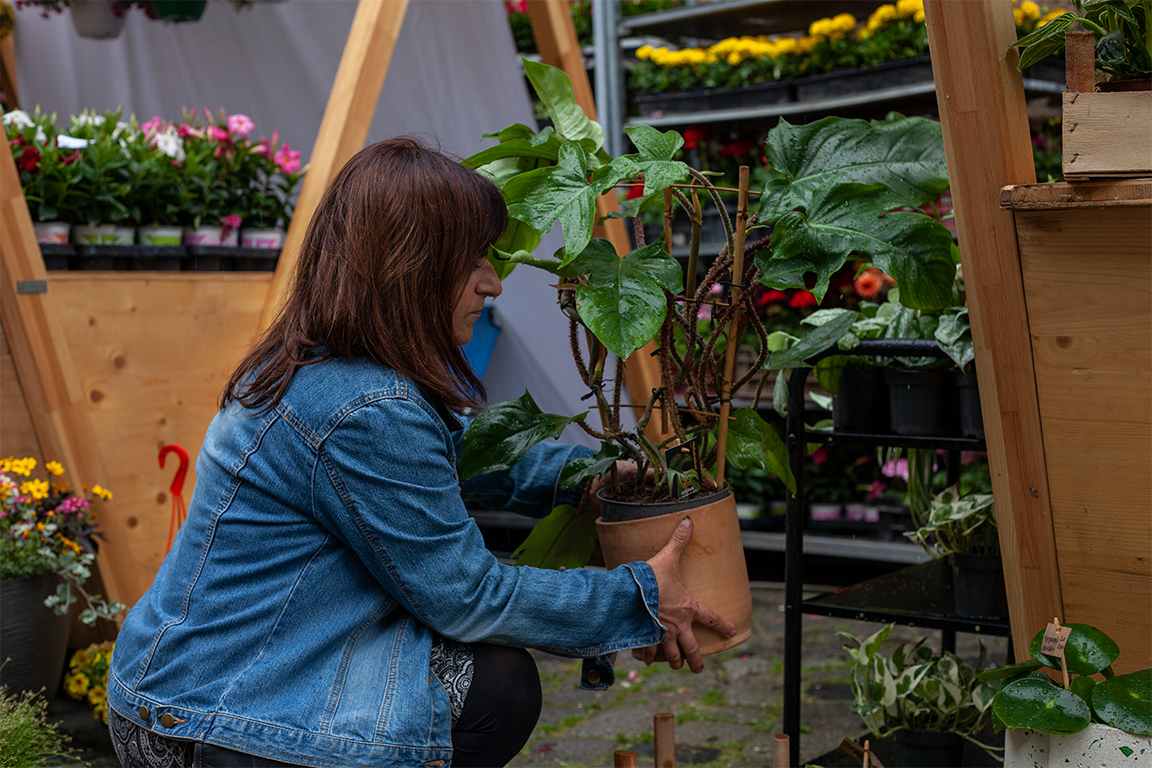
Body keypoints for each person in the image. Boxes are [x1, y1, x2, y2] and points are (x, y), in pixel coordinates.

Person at [106, 137, 735, 768]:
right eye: (472, 259)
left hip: (196, 677)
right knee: (497, 686)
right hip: (207, 716)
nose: (491, 281)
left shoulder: (328, 366)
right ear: (408, 266)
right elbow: (467, 596)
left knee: (492, 679)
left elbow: (458, 462)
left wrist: (594, 477)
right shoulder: (363, 407)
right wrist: (640, 596)